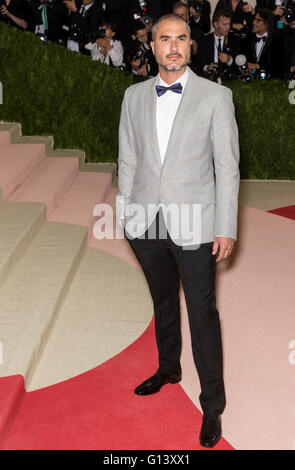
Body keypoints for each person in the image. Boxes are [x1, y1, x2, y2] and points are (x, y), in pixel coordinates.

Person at [117, 13, 240, 448]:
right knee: (162, 302)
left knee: (202, 314)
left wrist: (226, 226)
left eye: (181, 39)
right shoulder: (132, 97)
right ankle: (169, 366)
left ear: (191, 46)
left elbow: (227, 166)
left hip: (197, 223)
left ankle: (212, 406)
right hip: (146, 222)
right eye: (164, 39)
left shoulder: (215, 97)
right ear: (152, 47)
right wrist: (124, 214)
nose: (173, 46)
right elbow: (127, 160)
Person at [196, 8, 242, 76]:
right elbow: (199, 61)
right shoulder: (204, 40)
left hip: (229, 78)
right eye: (224, 24)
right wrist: (207, 68)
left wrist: (229, 59)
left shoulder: (235, 40)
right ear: (215, 24)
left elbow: (240, 62)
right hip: (209, 78)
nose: (228, 27)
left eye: (229, 24)